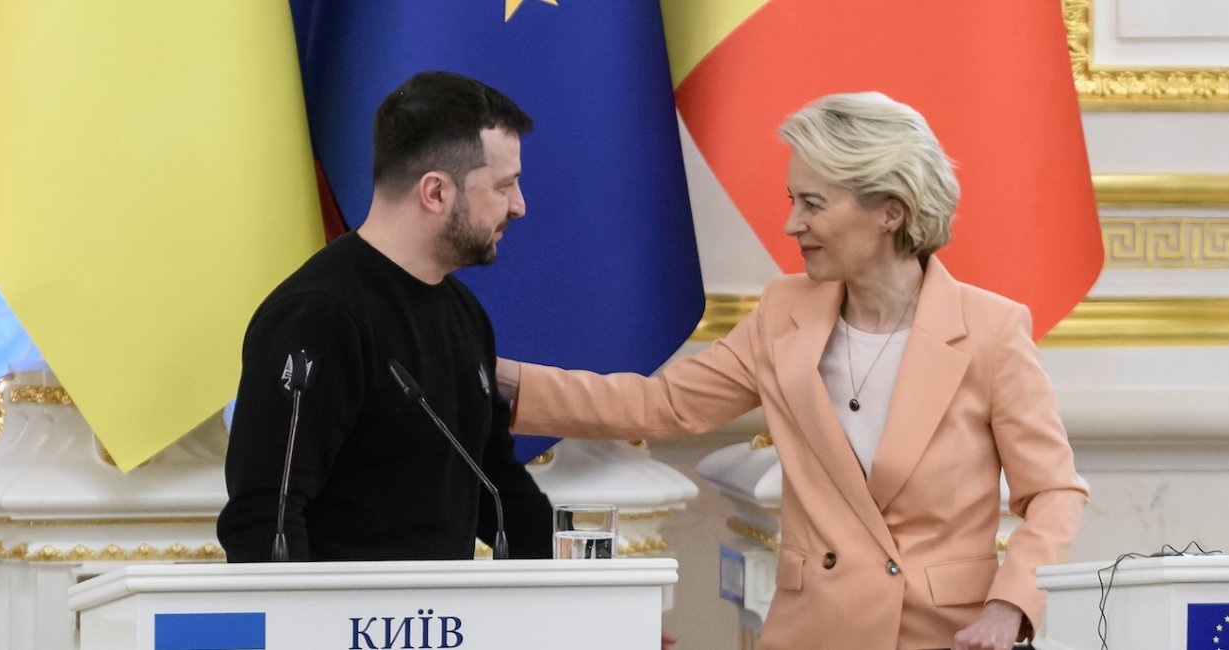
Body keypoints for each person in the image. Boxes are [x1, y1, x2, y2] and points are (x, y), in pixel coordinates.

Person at [499, 92, 1088, 649]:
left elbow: (1055, 492)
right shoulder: (784, 313)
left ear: (890, 211)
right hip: (813, 631)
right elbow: (661, 406)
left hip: (945, 633)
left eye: (813, 203)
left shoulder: (990, 330)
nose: (791, 225)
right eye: (793, 200)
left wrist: (1010, 605)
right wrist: (488, 375)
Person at [218, 71, 553, 562]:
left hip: (448, 629)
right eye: (504, 187)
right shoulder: (317, 316)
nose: (520, 207)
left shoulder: (465, 313)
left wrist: (584, 592)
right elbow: (265, 521)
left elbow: (498, 489)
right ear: (436, 192)